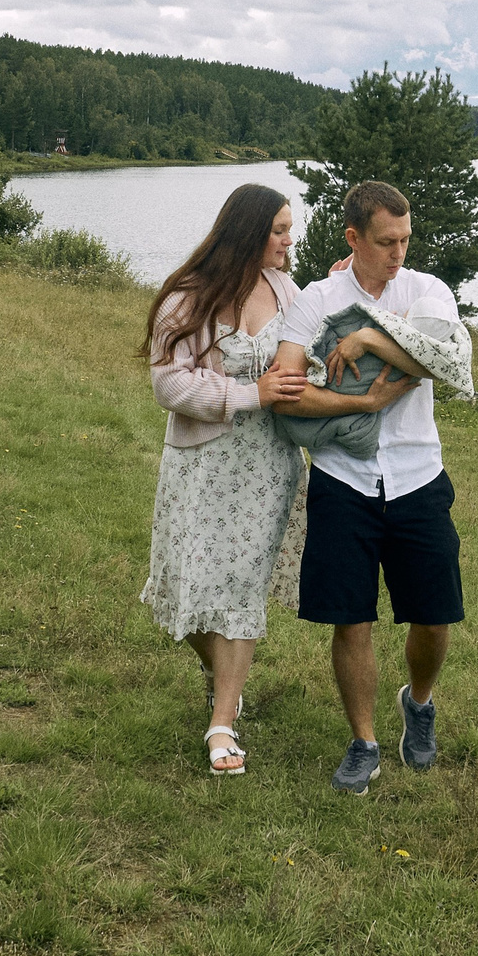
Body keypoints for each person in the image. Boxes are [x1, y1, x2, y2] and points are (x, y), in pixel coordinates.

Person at [142, 185, 403, 775]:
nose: (290, 239)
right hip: (203, 465)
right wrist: (248, 393)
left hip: (268, 466)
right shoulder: (188, 299)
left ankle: (223, 722)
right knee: (185, 585)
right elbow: (168, 385)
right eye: (281, 230)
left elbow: (313, 333)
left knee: (240, 588)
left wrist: (342, 281)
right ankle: (219, 674)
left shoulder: (286, 290)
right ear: (247, 233)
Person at [270, 180, 468, 795]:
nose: (399, 253)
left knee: (434, 617)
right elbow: (285, 386)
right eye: (386, 242)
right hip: (342, 478)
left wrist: (371, 340)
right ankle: (363, 742)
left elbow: (448, 365)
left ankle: (420, 701)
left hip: (418, 477)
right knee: (350, 620)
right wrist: (375, 390)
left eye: (406, 240)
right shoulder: (317, 300)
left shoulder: (429, 291)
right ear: (353, 238)